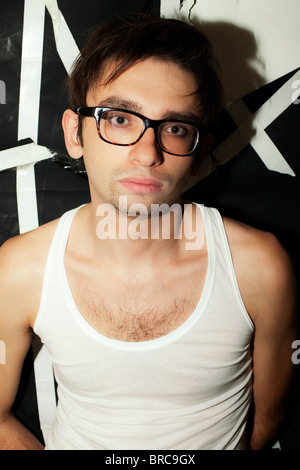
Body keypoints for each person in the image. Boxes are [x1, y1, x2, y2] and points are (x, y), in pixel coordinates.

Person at [0, 13, 297, 450]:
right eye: (120, 118)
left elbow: (270, 415)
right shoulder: (20, 270)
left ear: (199, 154)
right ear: (74, 133)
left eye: (175, 128)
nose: (146, 153)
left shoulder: (260, 267)